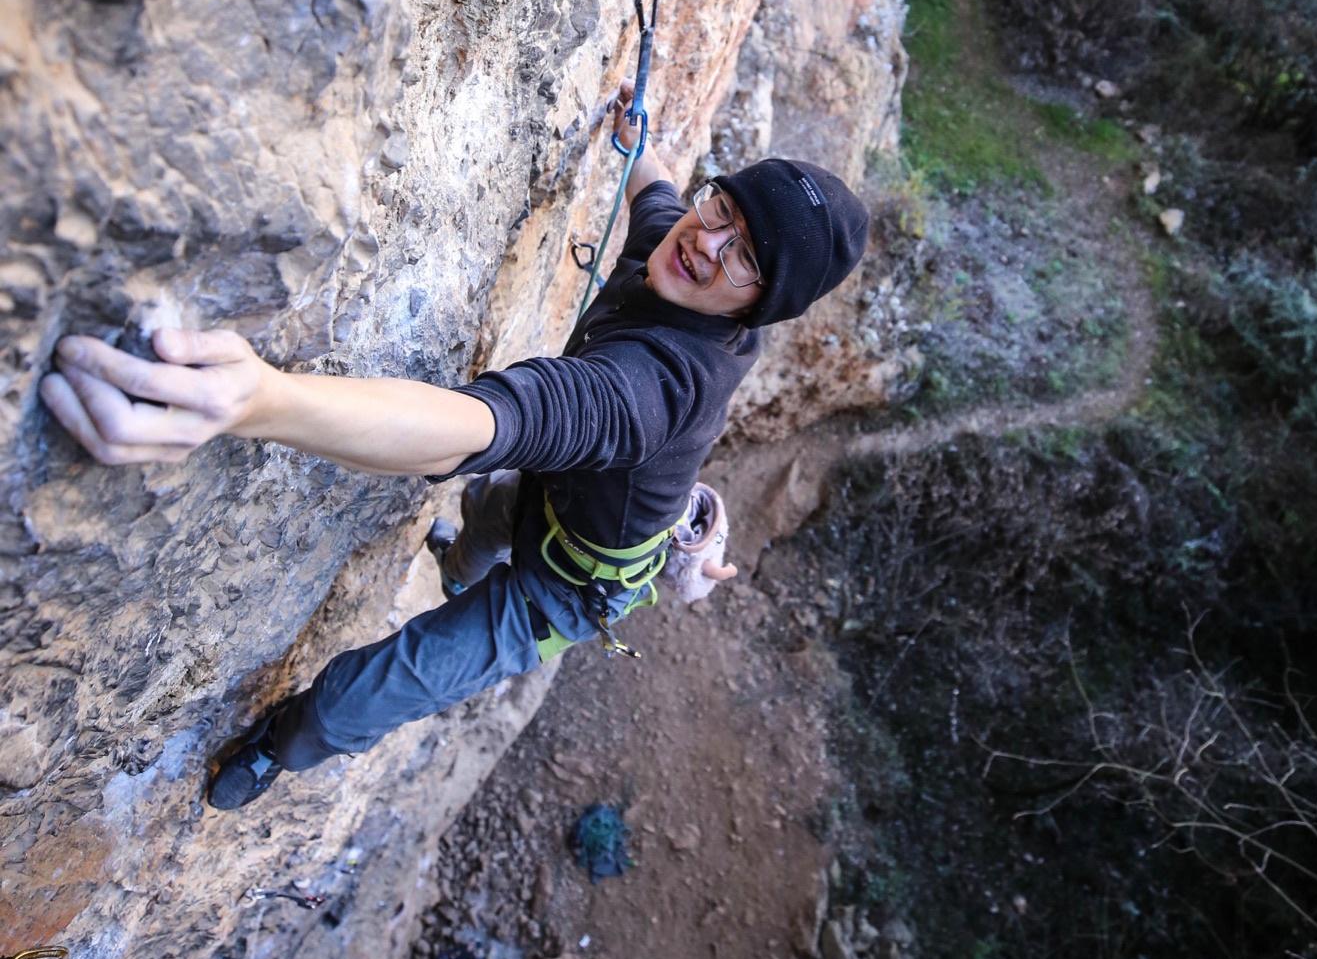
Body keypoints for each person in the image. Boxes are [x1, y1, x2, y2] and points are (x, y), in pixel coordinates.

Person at [40, 89, 869, 809]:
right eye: (724, 208)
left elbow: (489, 422)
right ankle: (464, 567)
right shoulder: (680, 251)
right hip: (556, 497)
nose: (707, 241)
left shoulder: (656, 387)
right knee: (484, 517)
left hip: (567, 589)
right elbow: (658, 201)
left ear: (760, 306)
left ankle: (281, 743)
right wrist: (638, 143)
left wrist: (264, 401)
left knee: (367, 693)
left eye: (745, 255)